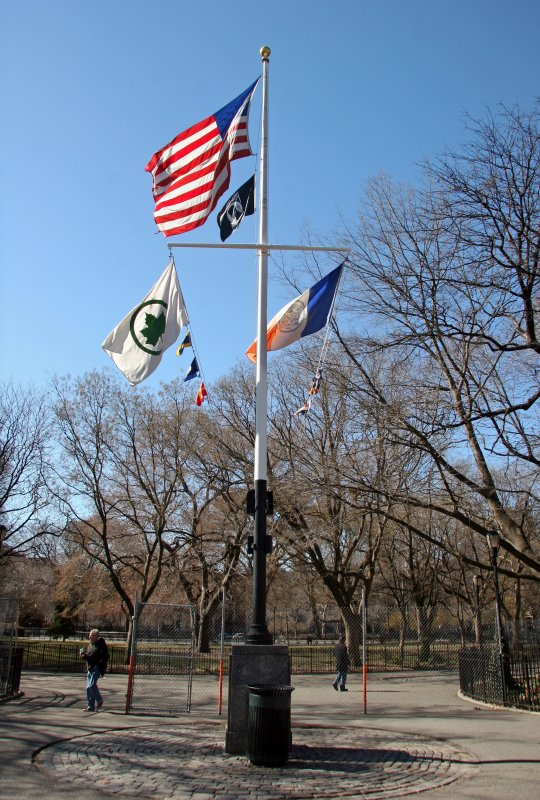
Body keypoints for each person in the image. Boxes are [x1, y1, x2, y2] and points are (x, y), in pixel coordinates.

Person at [80, 628, 109, 711]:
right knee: (88, 687)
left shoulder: (101, 645)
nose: (89, 636)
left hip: (96, 667)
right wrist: (84, 656)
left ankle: (99, 700)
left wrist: (100, 662)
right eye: (89, 635)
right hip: (90, 667)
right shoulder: (91, 644)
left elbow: (102, 656)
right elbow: (90, 655)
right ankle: (90, 706)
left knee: (92, 685)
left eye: (91, 635)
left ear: (96, 636)